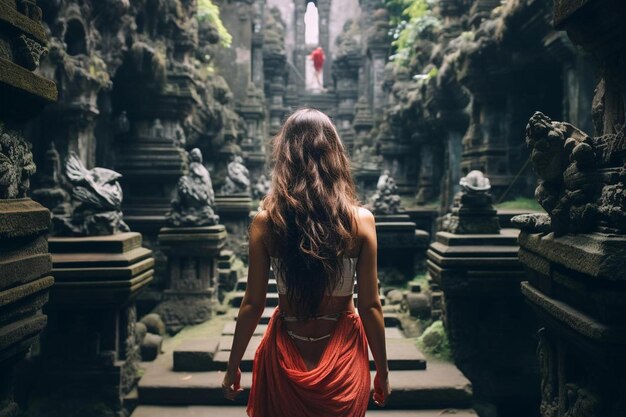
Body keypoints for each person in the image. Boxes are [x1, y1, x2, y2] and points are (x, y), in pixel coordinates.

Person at [221, 108, 391, 416]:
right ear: (335, 154)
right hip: (343, 359)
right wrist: (383, 370)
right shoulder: (362, 222)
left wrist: (233, 366)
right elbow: (370, 306)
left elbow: (252, 304)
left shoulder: (266, 223)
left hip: (285, 354)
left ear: (285, 156)